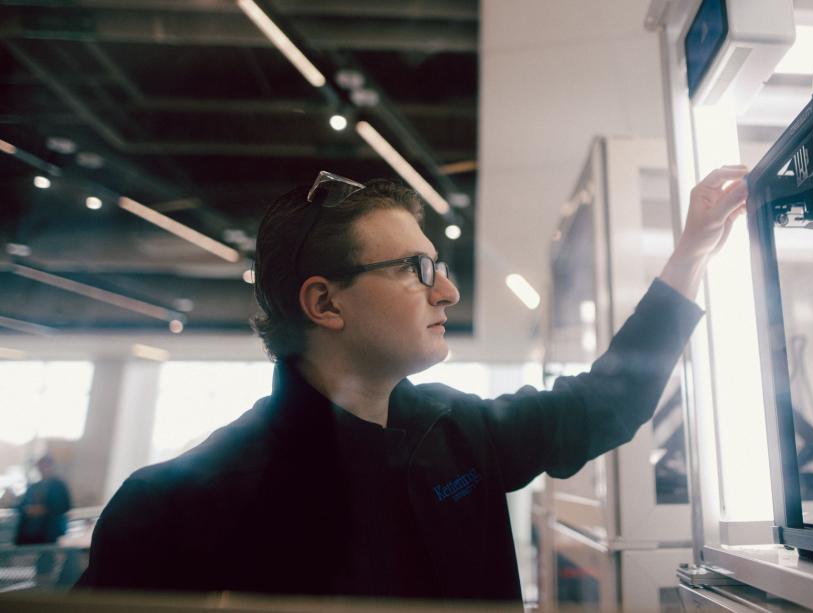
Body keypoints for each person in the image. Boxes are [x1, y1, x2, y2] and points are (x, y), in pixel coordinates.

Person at [76, 166, 748, 601]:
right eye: (417, 269)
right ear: (325, 304)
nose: (448, 291)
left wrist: (690, 254)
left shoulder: (459, 433)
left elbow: (607, 403)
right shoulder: (175, 506)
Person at [15, 455, 71, 547]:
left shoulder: (59, 486)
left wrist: (45, 509)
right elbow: (21, 505)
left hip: (50, 530)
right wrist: (28, 509)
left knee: (47, 557)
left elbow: (65, 505)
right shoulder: (34, 486)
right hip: (31, 531)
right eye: (40, 466)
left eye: (46, 466)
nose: (43, 469)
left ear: (52, 467)